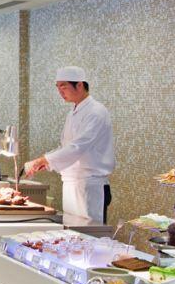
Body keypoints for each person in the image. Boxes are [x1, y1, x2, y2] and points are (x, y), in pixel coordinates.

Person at [24, 66, 115, 223]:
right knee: (71, 232)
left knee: (90, 232)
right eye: (57, 87)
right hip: (71, 184)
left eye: (63, 86)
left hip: (90, 186)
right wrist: (46, 162)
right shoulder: (72, 113)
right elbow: (66, 147)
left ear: (79, 85)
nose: (60, 91)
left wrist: (45, 159)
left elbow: (78, 147)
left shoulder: (96, 112)